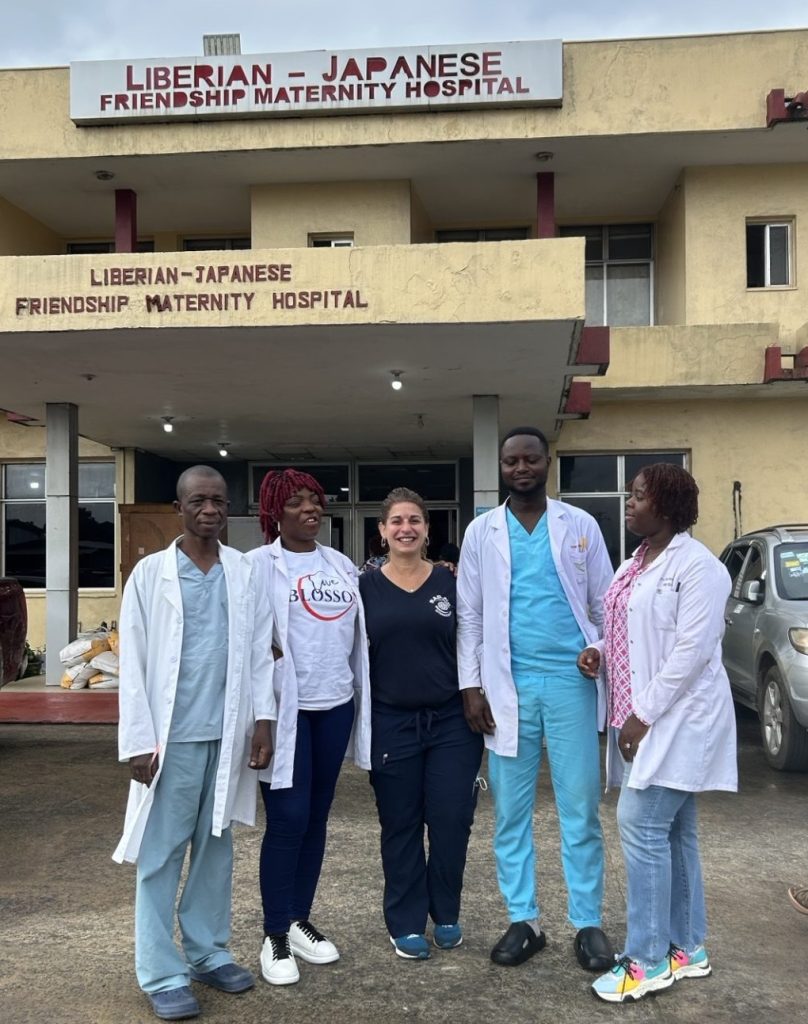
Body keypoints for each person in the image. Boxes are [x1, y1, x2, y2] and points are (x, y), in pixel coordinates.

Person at [114, 466, 276, 1022]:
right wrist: (138, 740)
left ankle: (208, 952)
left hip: (226, 735)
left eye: (218, 501)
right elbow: (132, 662)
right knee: (160, 856)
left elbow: (259, 651)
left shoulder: (243, 571)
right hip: (171, 739)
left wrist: (264, 720)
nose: (210, 509)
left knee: (216, 848)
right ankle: (162, 973)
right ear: (179, 508)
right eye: (198, 500)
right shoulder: (150, 574)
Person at [577, 463, 737, 1004]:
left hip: (675, 718)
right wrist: (599, 650)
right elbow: (621, 626)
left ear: (666, 507)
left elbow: (690, 654)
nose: (629, 502)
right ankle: (687, 947)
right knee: (675, 833)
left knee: (640, 824)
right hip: (641, 714)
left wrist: (641, 715)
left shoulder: (700, 569)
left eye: (639, 495)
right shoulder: (637, 563)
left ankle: (645, 960)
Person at [456, 426, 615, 971]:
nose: (520, 468)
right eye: (510, 461)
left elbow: (605, 605)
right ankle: (523, 919)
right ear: (499, 468)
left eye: (530, 459)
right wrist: (471, 685)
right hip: (507, 688)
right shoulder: (482, 532)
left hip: (571, 683)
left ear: (547, 463)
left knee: (580, 808)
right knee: (511, 811)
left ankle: (587, 922)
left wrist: (596, 647)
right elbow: (471, 617)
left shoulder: (582, 526)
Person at [248, 468, 371, 986]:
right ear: (276, 511)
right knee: (288, 818)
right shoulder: (257, 566)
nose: (311, 509)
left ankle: (299, 919)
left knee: (317, 816)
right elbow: (245, 640)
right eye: (297, 502)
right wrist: (262, 711)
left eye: (316, 501)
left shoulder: (341, 564)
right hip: (286, 711)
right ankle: (273, 934)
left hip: (335, 704)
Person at [359, 488, 483, 960]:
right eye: (396, 521)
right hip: (391, 722)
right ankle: (406, 921)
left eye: (414, 520)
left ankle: (446, 911)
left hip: (453, 722)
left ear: (428, 529)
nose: (406, 528)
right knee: (401, 823)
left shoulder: (452, 583)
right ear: (382, 531)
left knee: (452, 819)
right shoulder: (363, 587)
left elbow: (478, 638)